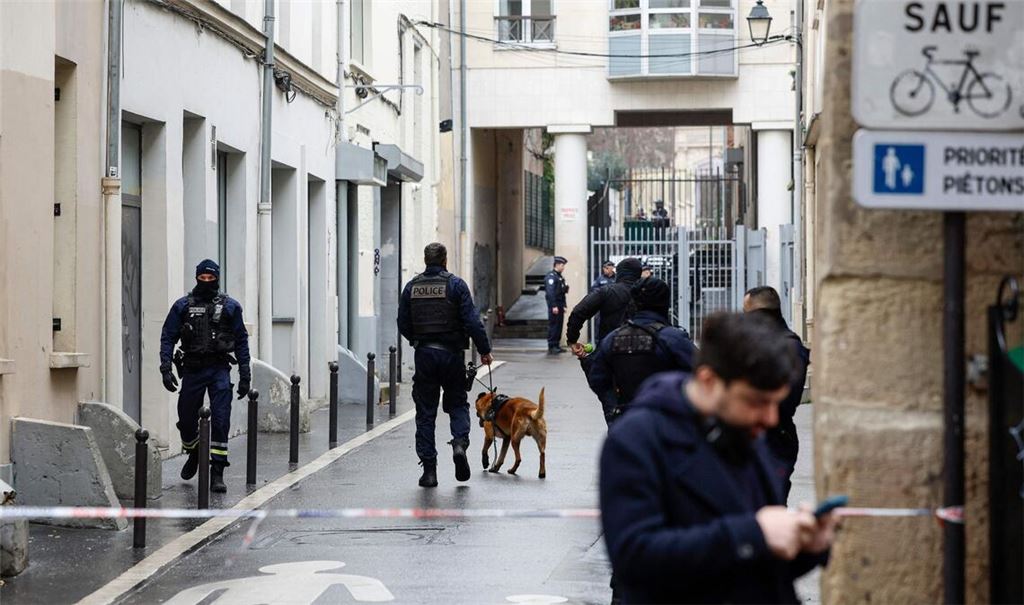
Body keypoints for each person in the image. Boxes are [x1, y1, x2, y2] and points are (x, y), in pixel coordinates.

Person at [600, 312, 836, 604]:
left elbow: (755, 568)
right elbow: (635, 559)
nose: (771, 418)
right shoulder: (636, 440)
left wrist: (805, 547)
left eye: (775, 403)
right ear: (709, 381)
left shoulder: (744, 430)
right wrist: (754, 533)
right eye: (757, 401)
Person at [398, 243, 493, 488]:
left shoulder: (411, 287)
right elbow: (472, 322)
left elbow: (403, 323)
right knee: (457, 403)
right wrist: (484, 350)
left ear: (425, 260)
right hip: (451, 355)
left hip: (424, 355)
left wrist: (418, 340)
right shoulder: (456, 285)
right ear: (445, 260)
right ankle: (459, 443)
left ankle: (429, 471)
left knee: (425, 412)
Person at [160, 259, 251, 494]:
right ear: (196, 278)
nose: (207, 281)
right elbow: (168, 336)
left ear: (217, 279)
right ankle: (194, 451)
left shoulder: (231, 307)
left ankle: (217, 472)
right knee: (186, 419)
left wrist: (245, 374)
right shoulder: (183, 306)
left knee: (220, 420)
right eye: (203, 278)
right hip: (192, 369)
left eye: (211, 278)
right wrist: (165, 368)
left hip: (219, 368)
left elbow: (241, 341)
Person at [587, 277, 696, 424]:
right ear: (664, 303)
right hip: (668, 422)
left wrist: (614, 408)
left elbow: (597, 379)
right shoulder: (674, 339)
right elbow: (703, 374)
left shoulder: (612, 339)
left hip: (626, 421)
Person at [744, 285, 810, 499]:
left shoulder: (788, 346)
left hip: (774, 440)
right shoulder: (758, 343)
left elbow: (785, 401)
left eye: (747, 314)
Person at [566, 258, 643, 357]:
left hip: (611, 350)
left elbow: (579, 312)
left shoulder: (606, 291)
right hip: (642, 351)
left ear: (619, 273)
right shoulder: (648, 293)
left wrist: (572, 340)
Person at [544, 256, 569, 355]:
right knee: (554, 325)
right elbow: (550, 293)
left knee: (559, 325)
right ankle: (552, 345)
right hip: (554, 305)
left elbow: (562, 293)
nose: (563, 267)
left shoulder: (560, 277)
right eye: (562, 265)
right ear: (557, 265)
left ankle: (556, 345)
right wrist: (554, 305)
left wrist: (564, 305)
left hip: (560, 304)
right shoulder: (551, 276)